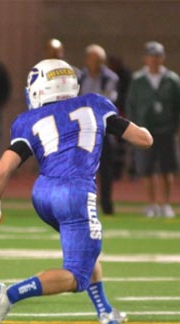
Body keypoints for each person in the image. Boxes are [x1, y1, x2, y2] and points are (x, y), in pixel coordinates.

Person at [0, 59, 153, 324]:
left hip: (42, 194)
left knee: (85, 251)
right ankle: (10, 294)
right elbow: (144, 140)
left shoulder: (28, 119)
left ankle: (106, 312)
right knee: (77, 276)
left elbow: (2, 169)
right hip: (75, 193)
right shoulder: (95, 104)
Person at [126, 41, 180, 218]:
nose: (154, 60)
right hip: (145, 131)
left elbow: (179, 106)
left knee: (167, 169)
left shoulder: (172, 80)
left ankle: (165, 204)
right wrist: (135, 127)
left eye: (158, 56)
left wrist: (174, 127)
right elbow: (131, 105)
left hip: (166, 131)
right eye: (151, 56)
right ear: (145, 58)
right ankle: (151, 204)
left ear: (163, 58)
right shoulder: (138, 80)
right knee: (147, 170)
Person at [78, 44, 119, 215]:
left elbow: (107, 102)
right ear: (87, 60)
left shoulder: (109, 78)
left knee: (106, 170)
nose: (97, 63)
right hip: (82, 131)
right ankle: (81, 205)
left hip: (103, 129)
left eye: (100, 60)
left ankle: (107, 204)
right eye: (94, 59)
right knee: (81, 170)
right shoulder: (79, 78)